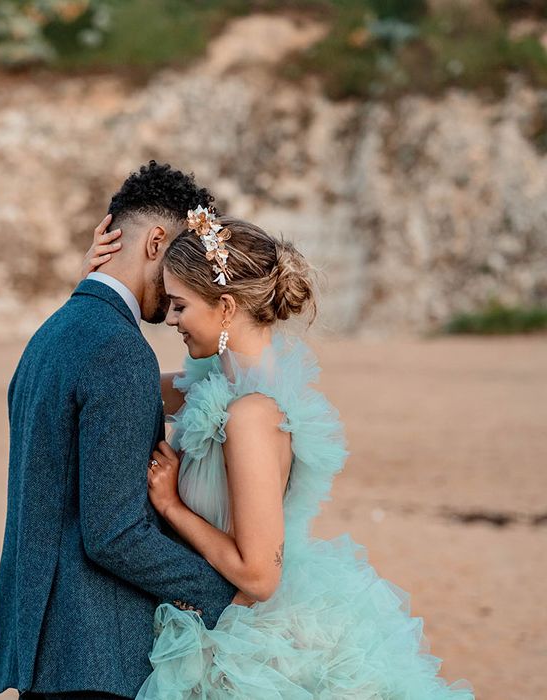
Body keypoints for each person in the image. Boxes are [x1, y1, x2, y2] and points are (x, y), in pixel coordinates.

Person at [85, 209, 476, 698]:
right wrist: (97, 291)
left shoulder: (253, 414)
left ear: (225, 306)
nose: (171, 319)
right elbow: (121, 383)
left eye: (180, 306)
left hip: (252, 639)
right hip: (215, 612)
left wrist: (171, 507)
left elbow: (260, 574)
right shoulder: (216, 383)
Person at [0, 162, 247, 700]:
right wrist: (221, 591)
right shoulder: (118, 350)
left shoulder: (52, 336)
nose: (182, 282)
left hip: (47, 648)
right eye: (182, 258)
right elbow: (114, 532)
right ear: (155, 242)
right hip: (97, 654)